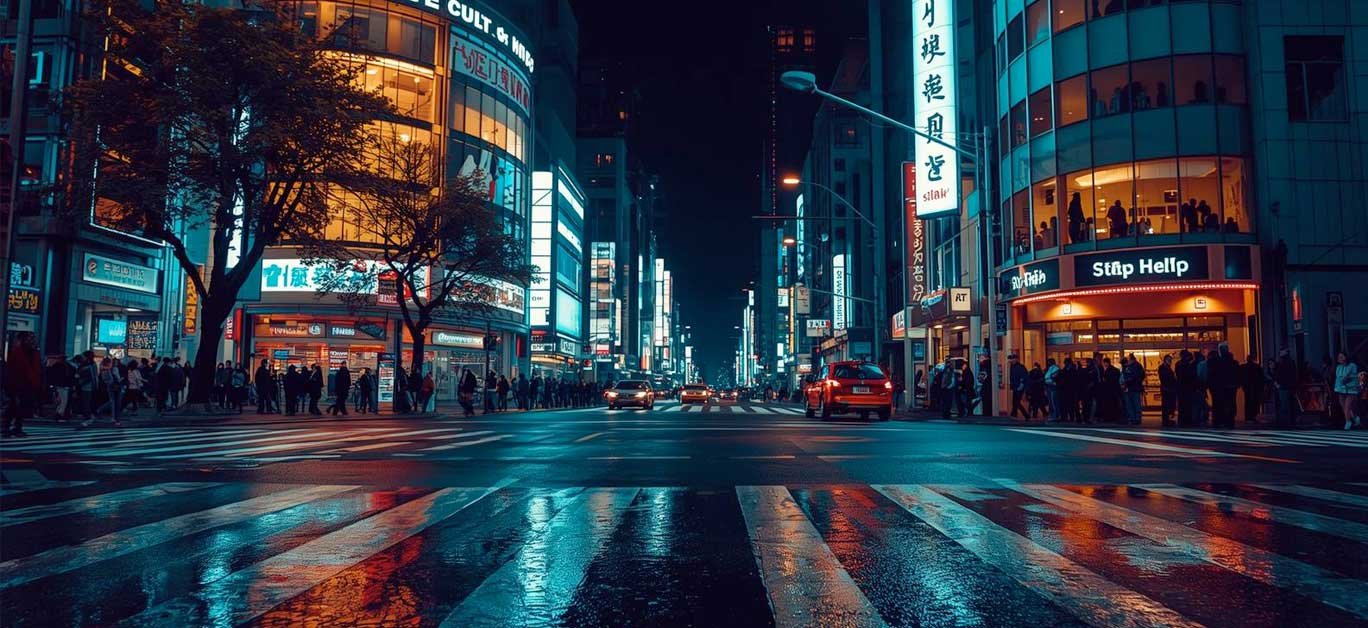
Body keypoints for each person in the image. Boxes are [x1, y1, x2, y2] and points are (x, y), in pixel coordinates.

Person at [3, 332, 42, 437]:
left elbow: (37, 370)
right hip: (17, 384)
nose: (32, 341)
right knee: (14, 406)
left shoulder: (34, 353)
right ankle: (7, 427)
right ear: (23, 340)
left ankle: (16, 427)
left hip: (28, 384)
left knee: (21, 407)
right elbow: (12, 370)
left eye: (33, 339)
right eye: (30, 339)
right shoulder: (17, 352)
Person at [1333, 352, 1362, 430]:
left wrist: (1346, 379)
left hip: (1351, 388)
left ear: (1346, 357)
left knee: (1347, 406)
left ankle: (1348, 422)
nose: (1340, 358)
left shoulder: (1352, 365)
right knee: (1344, 406)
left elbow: (1350, 376)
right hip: (1340, 388)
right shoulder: (1338, 367)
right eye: (1339, 357)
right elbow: (1339, 378)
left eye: (1342, 357)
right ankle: (1355, 418)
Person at [1273, 349, 1299, 427]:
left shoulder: (1283, 363)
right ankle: (1291, 421)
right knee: (1290, 404)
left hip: (1283, 386)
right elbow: (1294, 375)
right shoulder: (1291, 362)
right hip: (1289, 386)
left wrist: (1277, 383)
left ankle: (1285, 421)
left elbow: (1280, 374)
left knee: (1284, 405)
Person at [45, 354, 75, 421]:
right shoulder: (65, 366)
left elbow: (51, 375)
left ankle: (58, 414)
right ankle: (59, 414)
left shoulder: (57, 366)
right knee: (63, 401)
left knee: (61, 401)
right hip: (62, 385)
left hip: (60, 385)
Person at [1121, 353, 1145, 426]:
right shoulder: (1136, 366)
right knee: (1134, 404)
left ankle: (1133, 418)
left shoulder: (1132, 367)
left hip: (1131, 388)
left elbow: (1133, 377)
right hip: (1133, 388)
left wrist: (1126, 382)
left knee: (1132, 404)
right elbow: (1141, 376)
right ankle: (1135, 418)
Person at [1241, 354, 1264, 424]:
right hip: (1255, 386)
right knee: (1254, 401)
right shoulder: (1256, 366)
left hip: (1246, 386)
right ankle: (1253, 416)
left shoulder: (1243, 367)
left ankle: (1248, 417)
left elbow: (1241, 376)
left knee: (1247, 401)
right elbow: (1260, 377)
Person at [1158, 354, 1178, 427]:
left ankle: (1167, 419)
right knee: (1166, 405)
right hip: (1167, 389)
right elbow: (1165, 378)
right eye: (1169, 360)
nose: (1170, 361)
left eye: (1170, 360)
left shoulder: (1166, 368)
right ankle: (1166, 420)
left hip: (1169, 389)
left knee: (1169, 405)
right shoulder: (1163, 368)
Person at [1008, 355, 1029, 419]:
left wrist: (1021, 385)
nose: (1010, 361)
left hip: (1019, 387)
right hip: (1015, 386)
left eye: (1011, 359)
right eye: (1010, 359)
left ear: (1016, 359)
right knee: (1015, 402)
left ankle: (1023, 415)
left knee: (1016, 402)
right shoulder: (1013, 366)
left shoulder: (1020, 367)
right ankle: (1014, 414)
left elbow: (1024, 377)